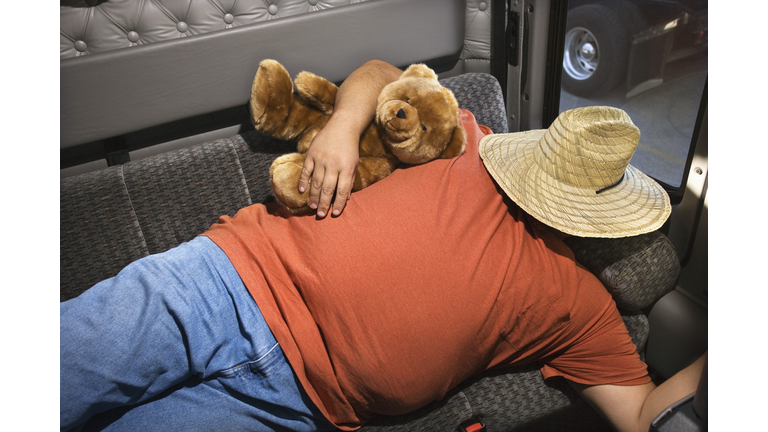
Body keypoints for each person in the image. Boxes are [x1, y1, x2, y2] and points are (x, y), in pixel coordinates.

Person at [60, 60, 706, 432]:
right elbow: (377, 71)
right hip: (217, 287)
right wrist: (342, 126)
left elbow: (641, 414)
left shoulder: (585, 311)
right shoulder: (468, 141)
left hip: (285, 401)